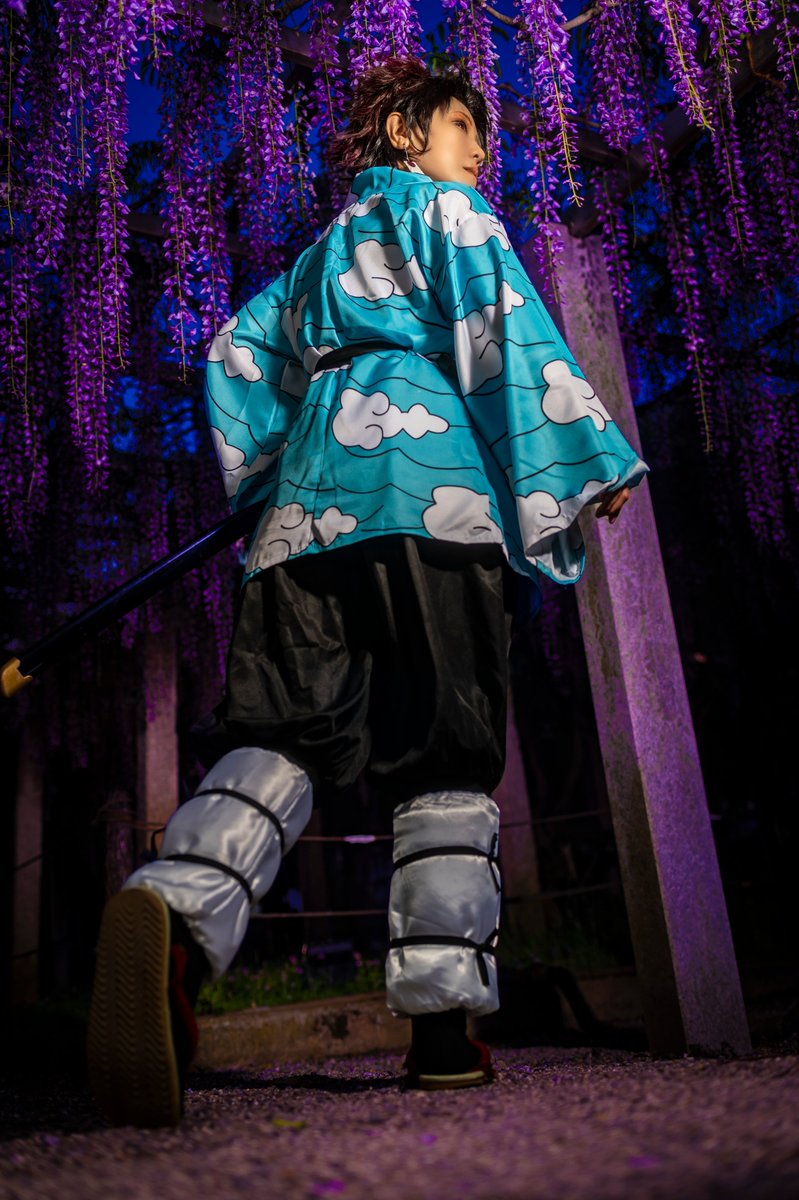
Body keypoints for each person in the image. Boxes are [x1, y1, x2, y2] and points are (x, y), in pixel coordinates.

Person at [87, 55, 648, 1127]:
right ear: (404, 133)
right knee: (444, 752)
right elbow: (503, 331)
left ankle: (174, 924)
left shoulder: (315, 260)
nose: (481, 148)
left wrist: (272, 478)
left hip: (307, 512)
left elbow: (234, 358)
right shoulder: (451, 214)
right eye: (462, 125)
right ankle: (442, 1032)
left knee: (281, 734)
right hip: (435, 501)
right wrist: (593, 459)